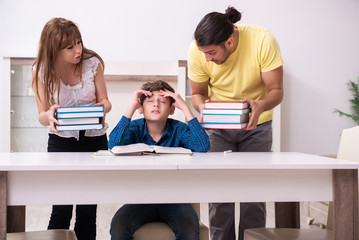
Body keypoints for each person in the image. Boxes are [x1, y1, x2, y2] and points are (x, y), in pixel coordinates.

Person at [188, 6, 284, 240]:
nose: (207, 59)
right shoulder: (197, 50)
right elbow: (198, 93)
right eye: (204, 54)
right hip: (219, 128)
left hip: (257, 126)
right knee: (220, 197)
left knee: (254, 197)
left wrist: (260, 105)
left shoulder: (263, 40)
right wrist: (203, 110)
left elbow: (276, 90)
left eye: (211, 53)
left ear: (229, 43)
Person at [32, 17, 112, 240]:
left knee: (88, 209)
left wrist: (100, 107)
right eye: (70, 47)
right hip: (61, 141)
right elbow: (41, 114)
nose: (78, 50)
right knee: (61, 208)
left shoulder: (92, 63)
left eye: (78, 42)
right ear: (54, 50)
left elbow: (106, 101)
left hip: (95, 140)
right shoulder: (41, 70)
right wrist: (48, 115)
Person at [108, 80, 210, 240]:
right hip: (141, 200)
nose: (156, 105)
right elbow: (113, 144)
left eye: (162, 101)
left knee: (188, 224)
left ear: (171, 109)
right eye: (149, 102)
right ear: (141, 108)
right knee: (119, 224)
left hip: (175, 200)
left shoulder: (179, 129)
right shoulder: (134, 128)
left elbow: (202, 145)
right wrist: (132, 107)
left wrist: (185, 108)